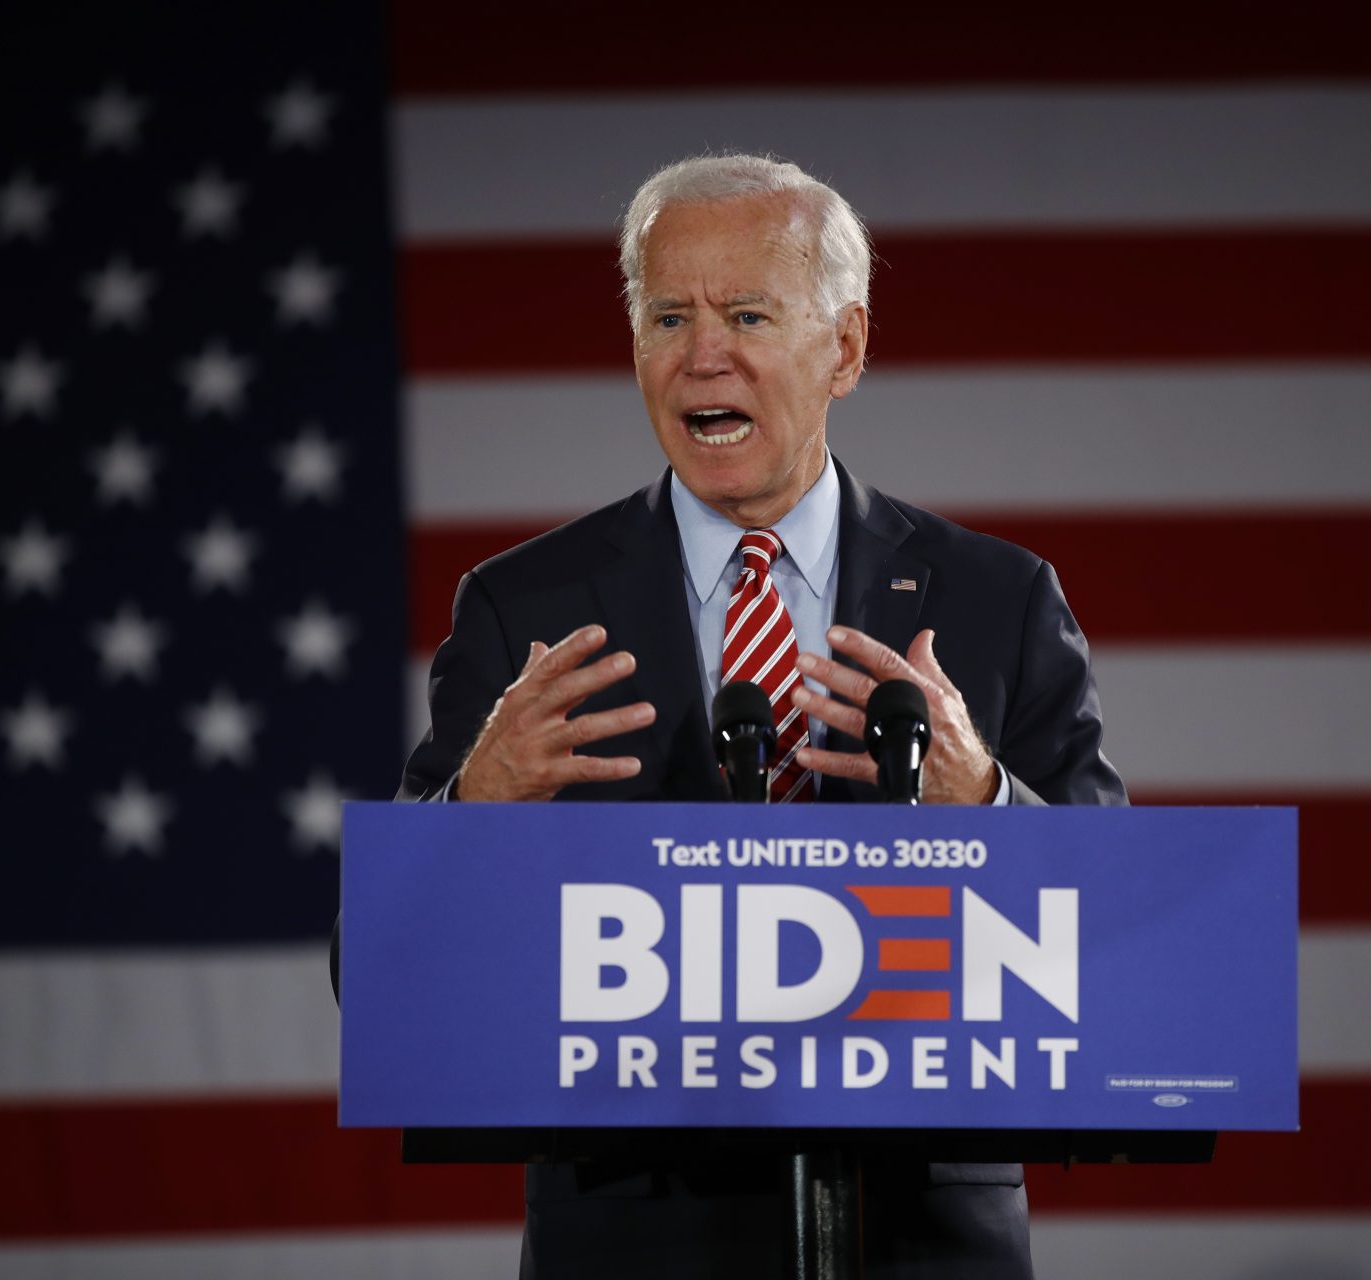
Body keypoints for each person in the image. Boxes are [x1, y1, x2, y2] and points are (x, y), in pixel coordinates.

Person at [392, 154, 1124, 1279]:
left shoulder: (997, 599)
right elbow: (382, 972)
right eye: (667, 315)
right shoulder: (527, 609)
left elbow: (1132, 945)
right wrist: (471, 807)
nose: (703, 355)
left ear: (846, 347)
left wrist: (986, 801)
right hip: (634, 1238)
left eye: (745, 313)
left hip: (920, 1242)